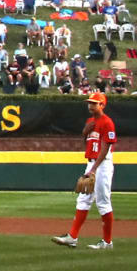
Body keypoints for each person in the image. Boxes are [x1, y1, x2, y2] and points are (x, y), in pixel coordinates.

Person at [53, 92, 116, 250]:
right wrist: (84, 131)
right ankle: (72, 237)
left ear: (102, 105)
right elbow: (87, 142)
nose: (90, 105)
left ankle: (107, 242)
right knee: (83, 200)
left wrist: (94, 169)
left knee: (103, 202)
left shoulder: (108, 122)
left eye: (94, 103)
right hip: (92, 163)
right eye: (89, 102)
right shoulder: (90, 121)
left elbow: (105, 147)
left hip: (103, 165)